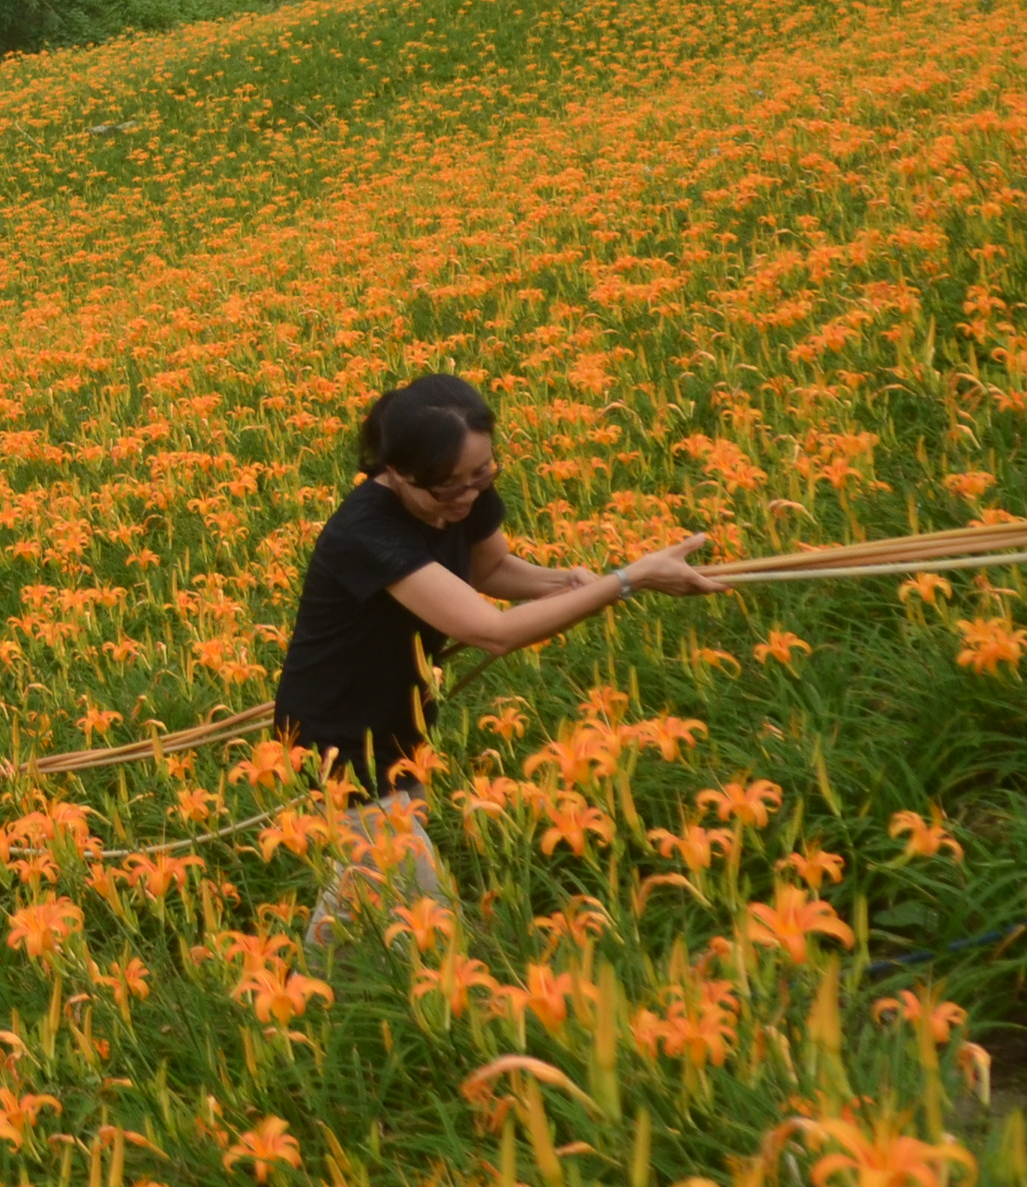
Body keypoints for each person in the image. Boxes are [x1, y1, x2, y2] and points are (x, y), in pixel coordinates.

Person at [275, 377, 719, 941]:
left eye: (481, 475)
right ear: (397, 472)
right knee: (423, 906)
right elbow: (493, 633)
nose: (466, 498)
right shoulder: (366, 532)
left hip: (401, 718)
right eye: (445, 489)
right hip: (337, 734)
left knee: (373, 878)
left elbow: (489, 571)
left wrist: (567, 581)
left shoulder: (463, 488)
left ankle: (313, 1001)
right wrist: (628, 581)